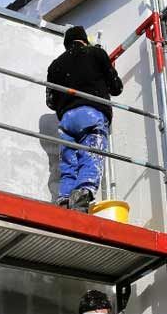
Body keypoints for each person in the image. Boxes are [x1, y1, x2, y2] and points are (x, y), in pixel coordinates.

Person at [46, 25, 123, 211]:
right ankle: (82, 194)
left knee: (69, 162)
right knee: (91, 154)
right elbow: (116, 88)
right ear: (84, 40)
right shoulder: (96, 53)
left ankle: (64, 199)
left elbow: (51, 102)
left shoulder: (55, 65)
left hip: (66, 119)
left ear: (67, 44)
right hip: (92, 111)